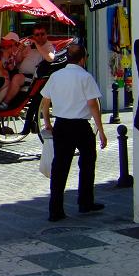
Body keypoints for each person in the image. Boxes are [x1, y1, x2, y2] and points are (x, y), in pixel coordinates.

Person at [40, 43, 107, 222]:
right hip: (81, 125)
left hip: (61, 124)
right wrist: (101, 130)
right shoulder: (85, 77)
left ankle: (55, 209)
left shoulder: (56, 76)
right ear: (83, 58)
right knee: (87, 163)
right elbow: (93, 105)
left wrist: (47, 122)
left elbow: (45, 102)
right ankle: (85, 201)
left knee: (60, 167)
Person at [0, 31, 28, 107]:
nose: (6, 43)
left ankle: (4, 102)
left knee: (5, 77)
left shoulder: (20, 50)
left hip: (16, 73)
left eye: (9, 41)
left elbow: (13, 65)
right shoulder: (8, 50)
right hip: (11, 71)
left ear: (14, 42)